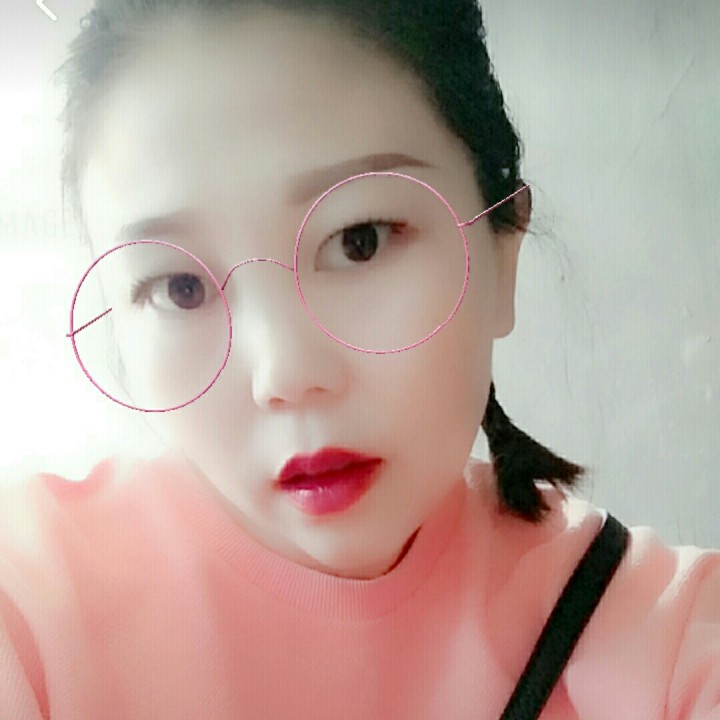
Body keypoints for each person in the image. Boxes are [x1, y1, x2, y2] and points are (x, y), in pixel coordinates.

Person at [1, 1, 717, 718]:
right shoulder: (31, 612)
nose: (285, 375)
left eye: (359, 241)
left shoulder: (659, 636)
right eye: (180, 288)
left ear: (503, 251)